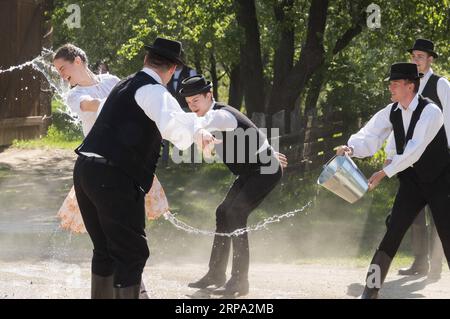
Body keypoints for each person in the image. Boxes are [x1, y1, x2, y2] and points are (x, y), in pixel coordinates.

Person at [71, 37, 217, 299]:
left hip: (84, 170)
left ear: (146, 59)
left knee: (104, 250)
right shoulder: (153, 91)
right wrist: (196, 135)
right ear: (172, 69)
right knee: (131, 253)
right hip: (111, 176)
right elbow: (173, 127)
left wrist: (198, 129)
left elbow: (177, 116)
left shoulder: (124, 85)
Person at [52, 44, 169, 298]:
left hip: (125, 164)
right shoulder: (74, 95)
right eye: (57, 71)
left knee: (124, 237)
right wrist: (126, 102)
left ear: (79, 60)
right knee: (113, 240)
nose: (62, 75)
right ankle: (136, 290)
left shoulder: (112, 80)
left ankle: (137, 288)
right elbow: (92, 105)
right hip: (103, 168)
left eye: (63, 68)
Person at [336, 63, 450, 299]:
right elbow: (370, 135)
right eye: (390, 83)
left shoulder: (431, 112)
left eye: (395, 84)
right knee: (392, 233)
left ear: (411, 86)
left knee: (448, 234)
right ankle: (371, 290)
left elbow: (414, 150)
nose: (391, 87)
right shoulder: (392, 111)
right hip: (412, 183)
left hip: (441, 181)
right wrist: (351, 147)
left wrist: (384, 172)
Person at [179, 75, 287, 297]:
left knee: (236, 214)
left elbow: (202, 123)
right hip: (253, 170)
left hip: (264, 170)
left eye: (196, 100)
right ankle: (216, 273)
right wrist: (268, 149)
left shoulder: (220, 115)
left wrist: (269, 156)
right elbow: (250, 131)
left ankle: (240, 280)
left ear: (209, 96)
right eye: (189, 103)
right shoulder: (212, 117)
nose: (192, 107)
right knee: (223, 212)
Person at [385, 39, 450, 279]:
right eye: (414, 56)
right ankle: (420, 262)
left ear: (430, 59)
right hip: (411, 161)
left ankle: (436, 265)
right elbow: (397, 122)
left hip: (439, 162)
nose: (416, 60)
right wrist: (392, 155)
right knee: (413, 215)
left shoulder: (440, 84)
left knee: (439, 214)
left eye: (421, 56)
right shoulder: (408, 85)